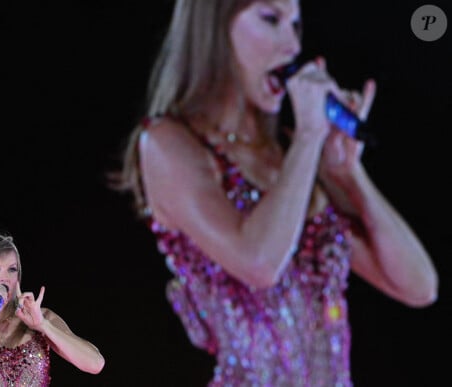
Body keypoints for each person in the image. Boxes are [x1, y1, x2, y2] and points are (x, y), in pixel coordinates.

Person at [110, 0, 439, 385]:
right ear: (214, 28)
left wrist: (348, 173)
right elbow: (260, 263)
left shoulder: (292, 155)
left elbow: (419, 286)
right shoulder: (169, 143)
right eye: (271, 19)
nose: (292, 47)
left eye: (296, 26)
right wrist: (310, 137)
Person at [0, 233, 105, 386]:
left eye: (12, 269)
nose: (4, 277)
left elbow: (95, 364)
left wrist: (44, 326)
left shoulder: (40, 317)